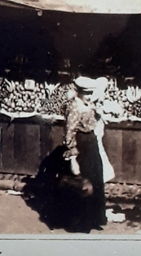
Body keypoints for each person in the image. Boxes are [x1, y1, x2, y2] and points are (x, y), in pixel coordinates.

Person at [63, 76, 110, 232]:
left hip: (91, 142)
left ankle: (95, 218)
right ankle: (82, 221)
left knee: (96, 177)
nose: (89, 96)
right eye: (86, 93)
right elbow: (70, 131)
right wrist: (73, 154)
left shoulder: (88, 104)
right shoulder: (74, 107)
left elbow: (93, 121)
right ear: (79, 93)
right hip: (82, 144)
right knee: (84, 182)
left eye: (91, 93)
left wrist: (98, 112)